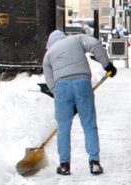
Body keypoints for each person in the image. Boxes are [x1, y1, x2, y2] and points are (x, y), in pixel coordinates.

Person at [43, 30, 117, 176]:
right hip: (82, 83)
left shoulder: (48, 54)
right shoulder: (76, 39)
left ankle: (64, 165)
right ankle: (94, 162)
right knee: (89, 124)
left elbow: (50, 82)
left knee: (63, 128)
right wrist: (107, 65)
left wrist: (61, 97)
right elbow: (95, 44)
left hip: (62, 87)